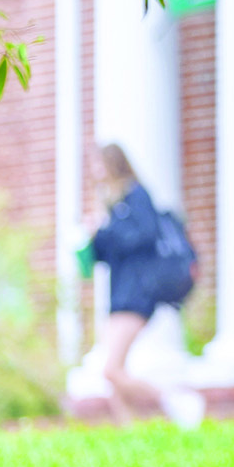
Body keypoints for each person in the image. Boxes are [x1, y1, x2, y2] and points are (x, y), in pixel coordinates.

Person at [80, 145, 205, 428]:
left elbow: (144, 236)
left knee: (111, 370)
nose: (96, 172)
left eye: (100, 165)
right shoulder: (109, 203)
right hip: (119, 293)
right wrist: (93, 236)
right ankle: (128, 432)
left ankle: (176, 401)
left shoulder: (136, 195)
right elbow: (105, 254)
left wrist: (106, 229)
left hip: (137, 293)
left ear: (114, 164)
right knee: (113, 369)